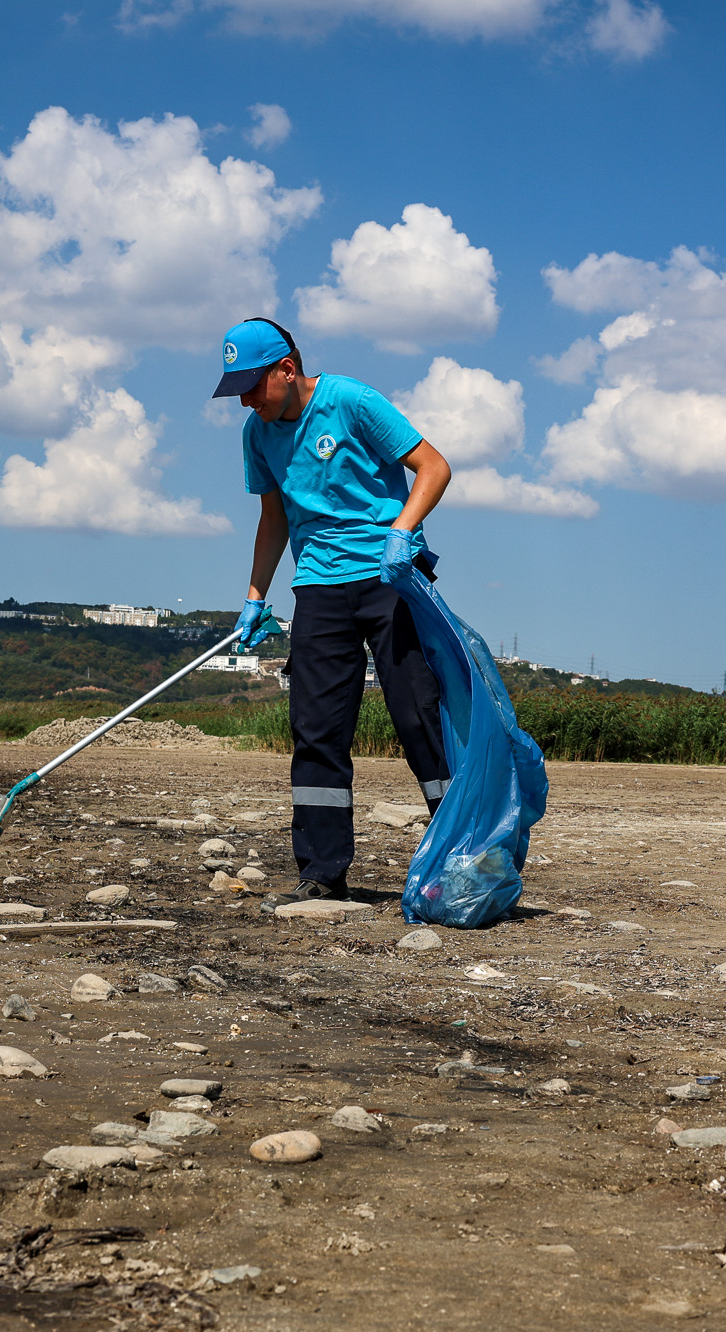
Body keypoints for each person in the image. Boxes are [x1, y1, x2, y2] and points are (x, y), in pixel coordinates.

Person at [213, 317, 454, 907]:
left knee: (418, 716)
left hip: (389, 576)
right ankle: (322, 872)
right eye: (237, 389)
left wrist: (402, 532)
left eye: (251, 385)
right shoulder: (257, 433)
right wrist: (253, 596)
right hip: (318, 587)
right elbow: (273, 519)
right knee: (316, 730)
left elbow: (434, 467)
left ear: (286, 370)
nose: (245, 399)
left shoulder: (351, 401)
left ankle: (462, 851)